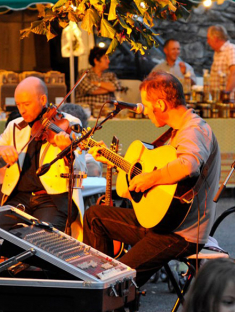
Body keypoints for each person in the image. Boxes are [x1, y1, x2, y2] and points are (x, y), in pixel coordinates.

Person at [84, 72, 220, 287]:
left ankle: (110, 301)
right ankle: (98, 279)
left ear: (161, 104)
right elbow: (157, 181)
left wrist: (150, 179)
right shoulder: (177, 131)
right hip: (164, 223)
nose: (144, 110)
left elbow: (189, 165)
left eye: (147, 105)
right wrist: (117, 164)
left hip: (182, 234)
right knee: (95, 217)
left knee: (117, 282)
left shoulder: (194, 129)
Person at [0, 77, 86, 238]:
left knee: (39, 243)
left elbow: (81, 167)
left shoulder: (70, 123)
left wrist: (67, 150)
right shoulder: (15, 126)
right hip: (19, 201)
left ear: (43, 99)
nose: (22, 110)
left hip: (52, 201)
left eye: (26, 104)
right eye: (18, 105)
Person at [75, 46, 126, 117]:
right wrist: (108, 88)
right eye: (105, 58)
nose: (108, 61)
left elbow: (115, 87)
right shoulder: (85, 73)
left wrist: (96, 83)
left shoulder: (110, 75)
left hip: (108, 114)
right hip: (87, 114)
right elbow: (90, 90)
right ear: (96, 60)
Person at [206, 25, 235, 94]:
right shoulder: (217, 53)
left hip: (230, 101)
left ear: (215, 38)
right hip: (218, 99)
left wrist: (226, 94)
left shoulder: (231, 49)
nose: (208, 42)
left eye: (208, 38)